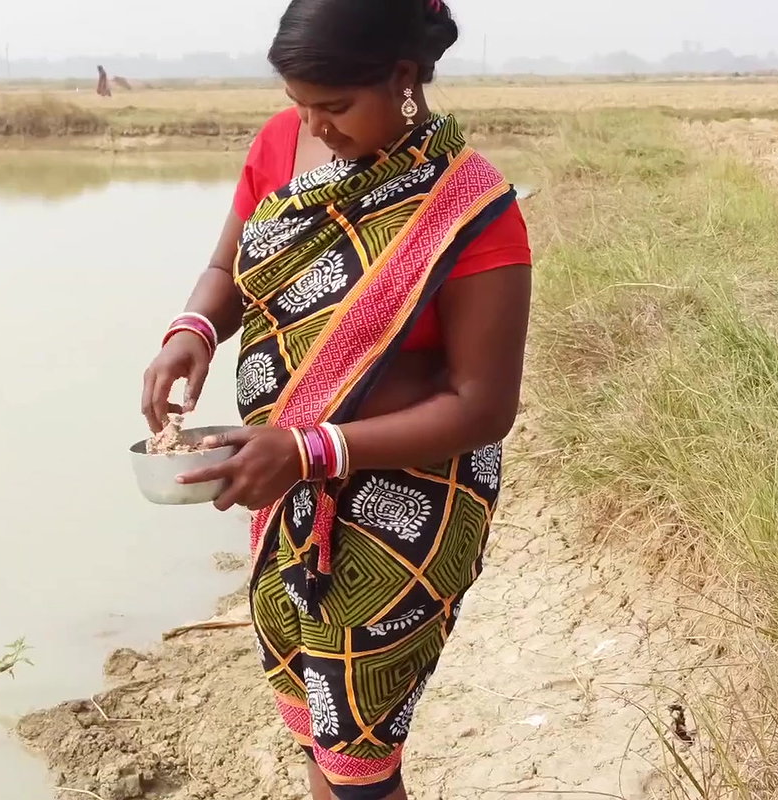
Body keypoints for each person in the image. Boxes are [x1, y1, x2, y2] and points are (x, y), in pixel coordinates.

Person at [140, 0, 532, 797]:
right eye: (300, 105)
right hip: (285, 490)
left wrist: (312, 449)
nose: (315, 128)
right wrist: (192, 332)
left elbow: (483, 405)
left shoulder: (471, 209)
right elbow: (228, 268)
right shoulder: (282, 143)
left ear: (402, 79)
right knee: (323, 740)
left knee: (361, 764)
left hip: (407, 509)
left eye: (337, 107)